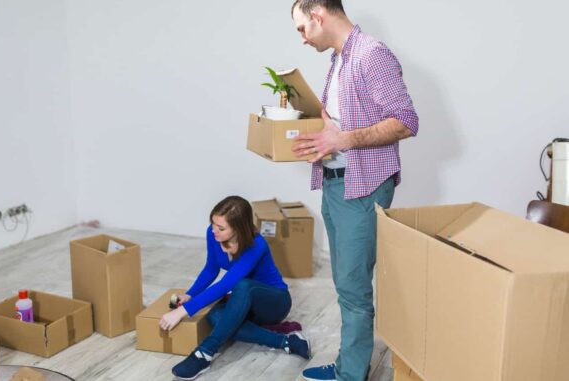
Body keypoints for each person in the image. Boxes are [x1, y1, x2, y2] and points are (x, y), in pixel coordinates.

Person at [290, 1, 420, 381]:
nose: (301, 39)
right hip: (335, 185)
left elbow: (406, 121)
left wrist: (342, 139)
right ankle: (349, 364)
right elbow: (342, 124)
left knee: (353, 286)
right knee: (346, 283)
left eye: (301, 28)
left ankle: (351, 375)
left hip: (362, 187)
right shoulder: (339, 60)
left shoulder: (371, 55)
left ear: (318, 15)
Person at [159, 195, 311, 380]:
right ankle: (287, 342)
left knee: (243, 284)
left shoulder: (257, 244)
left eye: (220, 227)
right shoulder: (212, 234)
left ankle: (205, 353)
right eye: (213, 223)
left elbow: (227, 284)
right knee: (214, 315)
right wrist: (190, 295)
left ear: (238, 228)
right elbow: (210, 268)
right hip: (244, 303)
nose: (214, 230)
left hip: (274, 302)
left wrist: (181, 312)